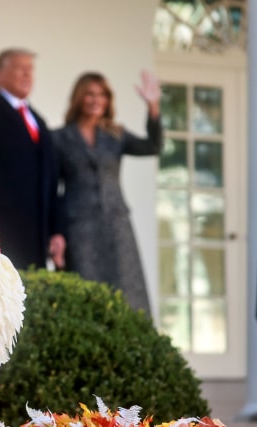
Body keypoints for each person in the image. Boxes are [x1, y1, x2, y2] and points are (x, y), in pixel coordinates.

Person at [52, 70, 162, 313]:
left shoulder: (116, 135)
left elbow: (153, 146)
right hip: (79, 226)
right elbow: (53, 190)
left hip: (116, 224)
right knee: (86, 293)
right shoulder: (59, 138)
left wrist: (153, 106)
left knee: (127, 291)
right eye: (90, 94)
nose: (96, 100)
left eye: (102, 95)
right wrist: (56, 232)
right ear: (79, 97)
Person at [0, 48, 65, 270]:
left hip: (37, 234)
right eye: (19, 68)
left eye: (30, 69)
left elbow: (51, 179)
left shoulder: (39, 121)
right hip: (1, 229)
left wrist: (56, 230)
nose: (27, 74)